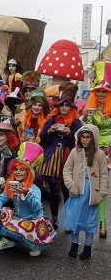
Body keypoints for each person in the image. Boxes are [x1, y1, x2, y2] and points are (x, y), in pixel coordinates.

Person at [0, 142, 55, 257]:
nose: (18, 172)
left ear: (28, 172)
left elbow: (37, 209)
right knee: (3, 214)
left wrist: (27, 194)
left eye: (22, 170)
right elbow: (1, 198)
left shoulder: (34, 189)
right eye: (16, 169)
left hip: (33, 221)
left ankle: (34, 245)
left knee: (29, 240)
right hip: (19, 218)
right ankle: (9, 240)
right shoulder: (13, 185)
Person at [38, 82, 82, 228]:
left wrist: (71, 135)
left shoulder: (76, 122)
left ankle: (68, 219)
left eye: (67, 105)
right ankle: (55, 218)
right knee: (53, 190)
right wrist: (49, 131)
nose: (64, 108)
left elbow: (81, 142)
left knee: (67, 189)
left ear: (72, 107)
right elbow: (43, 139)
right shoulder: (52, 119)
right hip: (51, 157)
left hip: (68, 157)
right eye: (61, 105)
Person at [61, 124, 108, 260]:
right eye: (83, 137)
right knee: (75, 219)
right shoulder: (75, 152)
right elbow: (67, 170)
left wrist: (102, 193)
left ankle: (87, 248)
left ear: (93, 138)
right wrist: (71, 185)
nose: (85, 140)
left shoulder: (99, 154)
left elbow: (104, 175)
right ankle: (74, 245)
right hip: (77, 191)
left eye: (88, 137)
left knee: (90, 221)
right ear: (79, 138)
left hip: (92, 193)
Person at [85, 61, 111, 238]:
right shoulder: (92, 108)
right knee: (92, 185)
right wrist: (88, 117)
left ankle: (102, 222)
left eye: (105, 91)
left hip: (110, 149)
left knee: (104, 184)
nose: (101, 93)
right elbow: (88, 131)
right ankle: (88, 221)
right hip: (96, 150)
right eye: (98, 90)